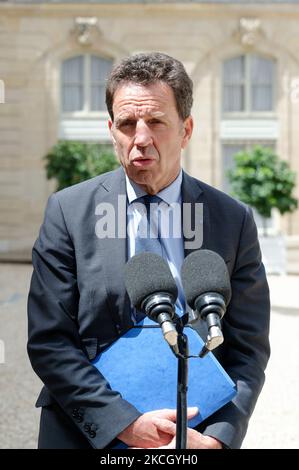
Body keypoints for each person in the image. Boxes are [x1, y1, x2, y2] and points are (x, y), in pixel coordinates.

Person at [27, 52, 270, 449]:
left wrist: (219, 439)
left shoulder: (232, 220)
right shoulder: (68, 213)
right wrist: (122, 423)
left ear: (186, 129)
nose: (141, 138)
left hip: (195, 434)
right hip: (85, 432)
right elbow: (49, 341)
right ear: (111, 130)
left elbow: (248, 347)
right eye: (126, 124)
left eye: (156, 121)